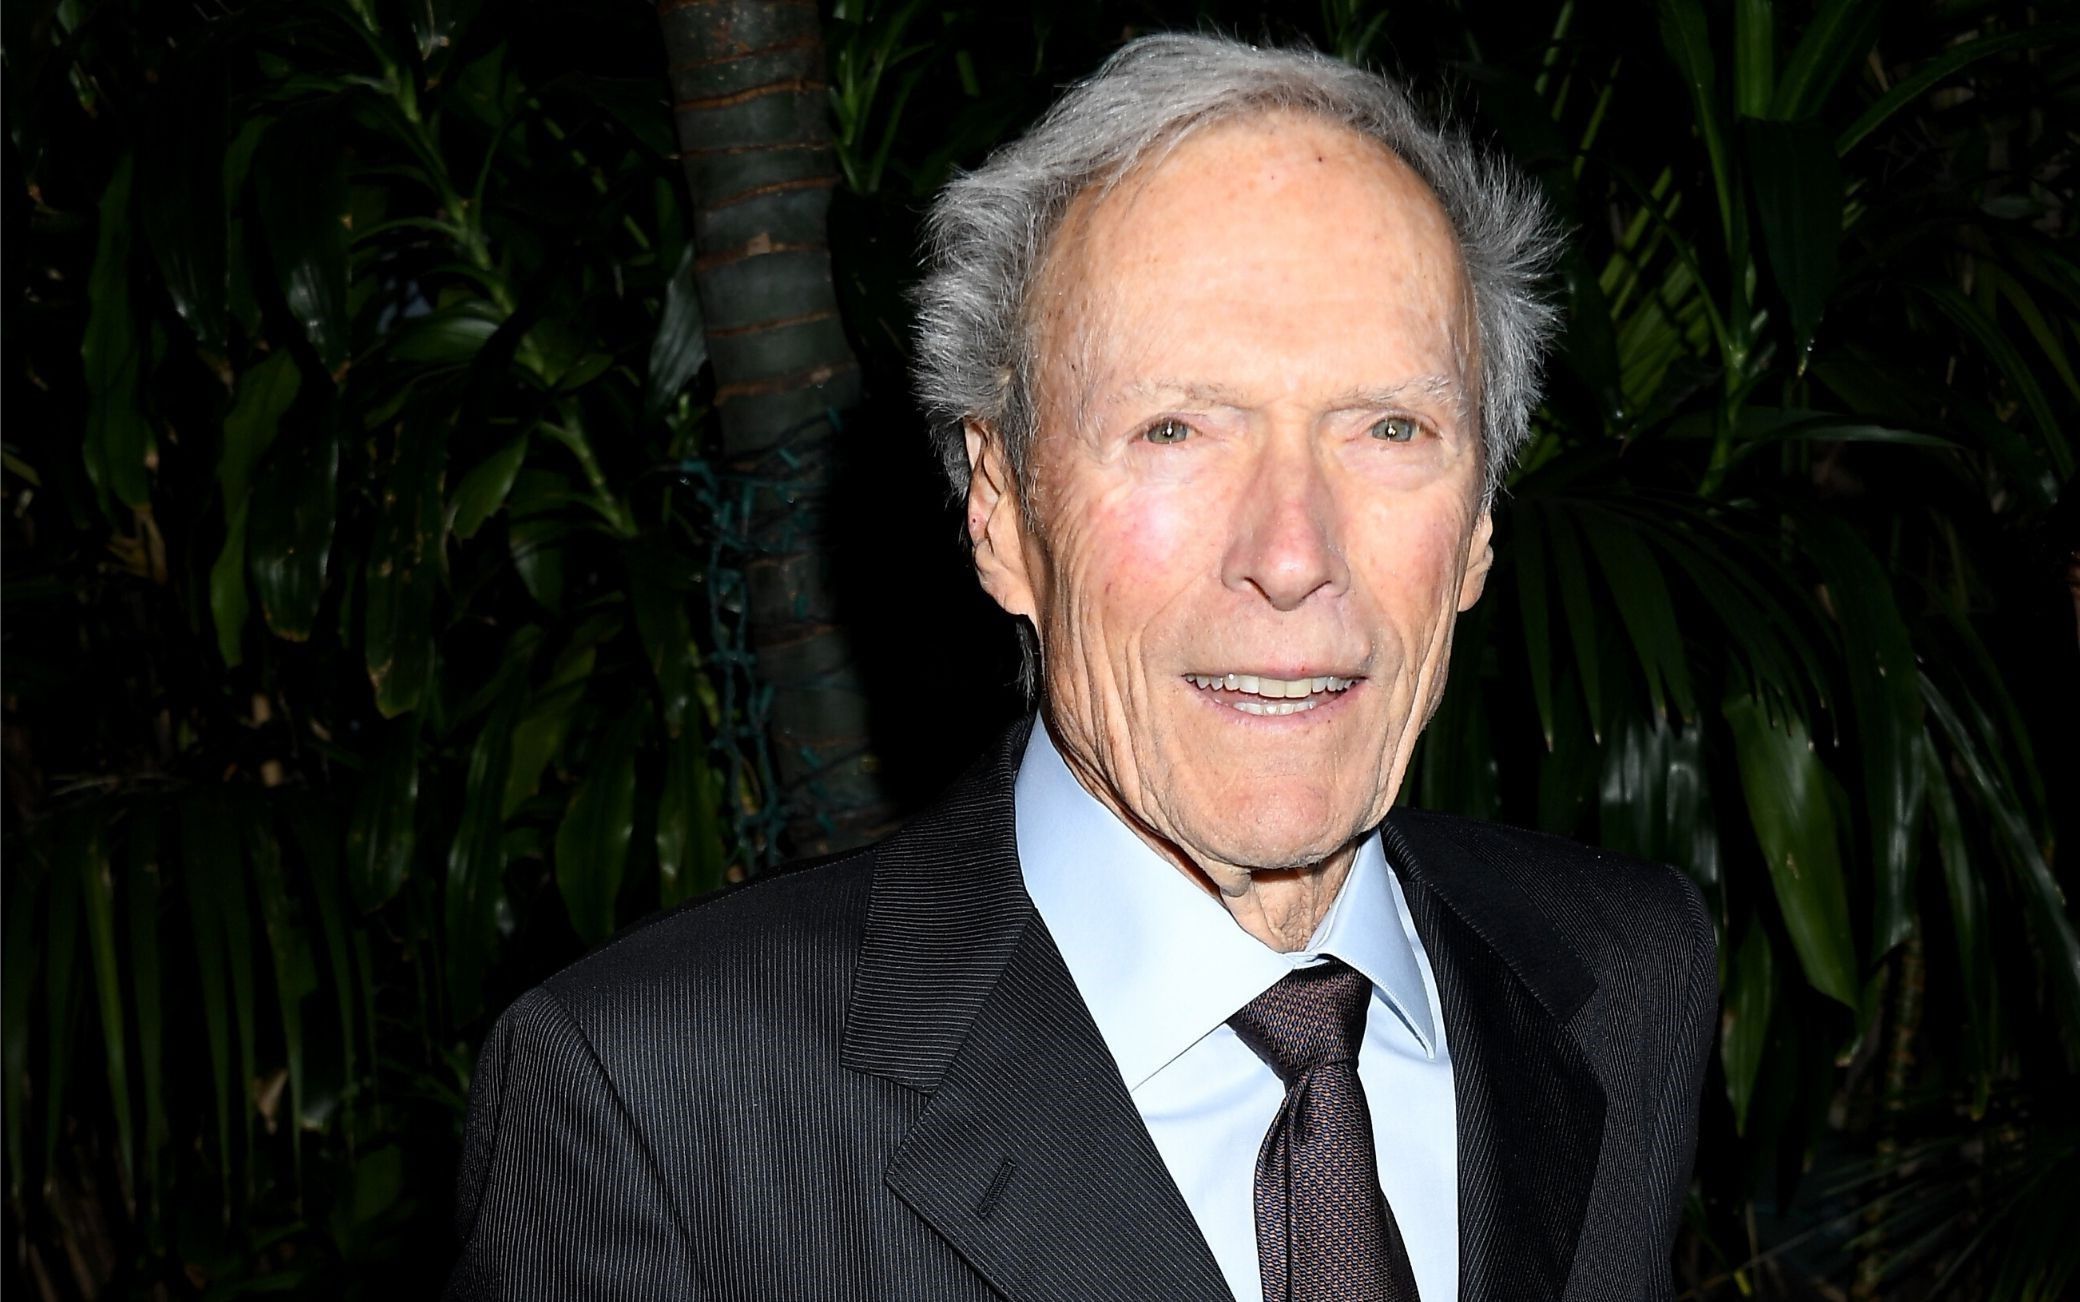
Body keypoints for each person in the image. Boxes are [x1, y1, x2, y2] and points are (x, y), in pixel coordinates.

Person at [444, 32, 1716, 1302]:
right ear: (1001, 511)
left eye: (1390, 427)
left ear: (1479, 520)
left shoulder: (1626, 975)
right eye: (1174, 429)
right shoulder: (652, 1105)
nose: (1291, 556)